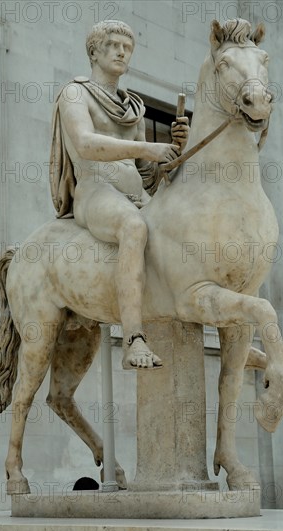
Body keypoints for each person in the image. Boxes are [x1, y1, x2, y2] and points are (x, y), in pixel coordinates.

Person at [51, 20, 189, 369]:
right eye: (112, 44)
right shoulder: (75, 94)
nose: (122, 51)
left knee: (187, 229)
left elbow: (148, 176)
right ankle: (134, 339)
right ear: (93, 51)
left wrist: (174, 153)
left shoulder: (133, 109)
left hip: (135, 193)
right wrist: (148, 148)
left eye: (127, 46)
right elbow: (85, 143)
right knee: (133, 227)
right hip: (96, 192)